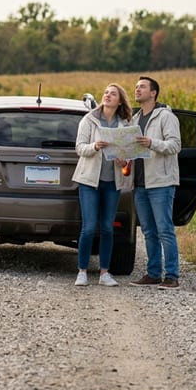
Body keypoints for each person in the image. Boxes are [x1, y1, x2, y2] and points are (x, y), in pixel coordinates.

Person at [72, 83, 134, 287]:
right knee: (89, 228)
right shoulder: (89, 119)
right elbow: (80, 148)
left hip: (112, 182)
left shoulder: (125, 123)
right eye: (106, 92)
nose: (108, 95)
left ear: (120, 100)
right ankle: (82, 272)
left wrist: (123, 160)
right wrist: (95, 146)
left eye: (113, 94)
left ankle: (104, 273)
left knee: (107, 228)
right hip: (89, 181)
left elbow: (128, 154)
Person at [128, 76, 183, 290]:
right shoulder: (134, 119)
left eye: (142, 87)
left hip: (161, 182)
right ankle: (153, 274)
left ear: (153, 93)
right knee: (149, 231)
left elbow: (175, 145)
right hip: (140, 184)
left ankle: (172, 276)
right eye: (136, 87)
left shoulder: (166, 117)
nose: (137, 89)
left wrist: (152, 143)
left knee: (164, 229)